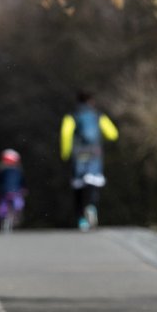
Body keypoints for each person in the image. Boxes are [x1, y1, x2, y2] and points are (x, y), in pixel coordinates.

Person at [60, 91, 119, 231]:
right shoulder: (98, 116)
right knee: (93, 181)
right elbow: (113, 134)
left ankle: (81, 219)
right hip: (95, 153)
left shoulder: (72, 116)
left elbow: (65, 134)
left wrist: (65, 153)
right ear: (91, 101)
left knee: (79, 185)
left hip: (78, 154)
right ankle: (92, 207)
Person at [0, 148, 26, 230]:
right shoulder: (18, 169)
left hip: (4, 191)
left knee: (4, 204)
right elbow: (22, 182)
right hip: (15, 192)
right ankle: (16, 217)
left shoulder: (1, 169)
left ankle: (3, 216)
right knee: (18, 204)